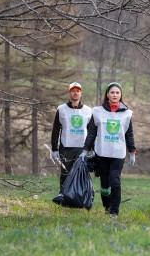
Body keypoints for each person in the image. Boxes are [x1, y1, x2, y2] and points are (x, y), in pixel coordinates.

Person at [82, 82, 136, 218]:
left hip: (118, 153)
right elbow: (92, 132)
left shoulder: (127, 114)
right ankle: (107, 205)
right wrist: (85, 149)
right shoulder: (97, 111)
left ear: (121, 95)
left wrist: (132, 152)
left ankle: (114, 211)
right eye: (112, 92)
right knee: (105, 184)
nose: (115, 95)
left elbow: (129, 134)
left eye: (117, 92)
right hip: (102, 152)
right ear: (107, 94)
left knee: (115, 181)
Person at [50, 82, 92, 204]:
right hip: (66, 147)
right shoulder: (61, 109)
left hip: (81, 148)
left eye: (78, 90)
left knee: (79, 173)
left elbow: (91, 131)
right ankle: (63, 196)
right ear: (69, 93)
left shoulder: (88, 111)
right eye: (73, 90)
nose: (75, 92)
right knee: (65, 173)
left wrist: (92, 148)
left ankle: (78, 198)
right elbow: (56, 129)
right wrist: (54, 149)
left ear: (81, 93)